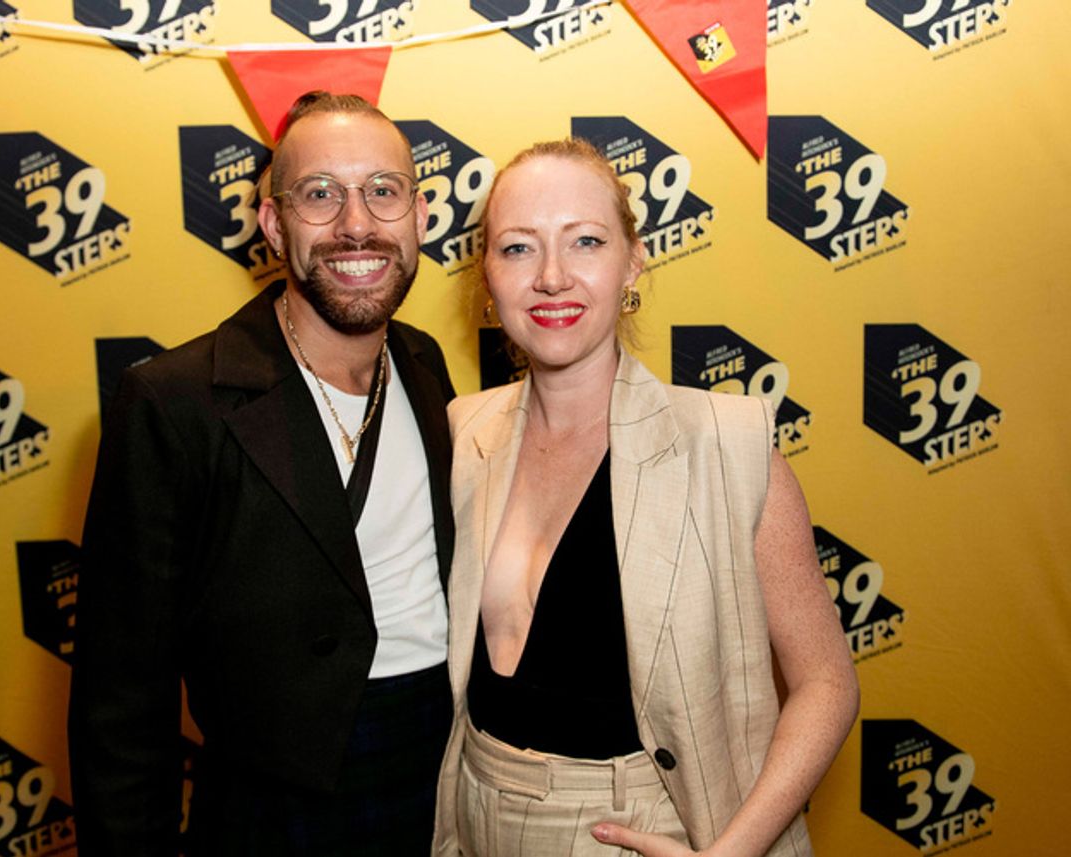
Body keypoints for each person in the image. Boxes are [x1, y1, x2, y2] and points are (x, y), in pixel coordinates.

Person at [431, 139, 859, 857]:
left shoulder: (728, 446)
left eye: (586, 241)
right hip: (470, 819)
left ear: (633, 261)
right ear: (487, 277)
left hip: (642, 831)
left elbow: (825, 684)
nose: (552, 277)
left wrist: (731, 852)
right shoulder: (463, 430)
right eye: (517, 249)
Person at [68, 92, 456, 856]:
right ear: (274, 223)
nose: (356, 223)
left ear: (419, 214)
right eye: (320, 194)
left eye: (383, 191)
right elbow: (122, 697)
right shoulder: (175, 399)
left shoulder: (425, 364)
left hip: (447, 773)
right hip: (274, 810)